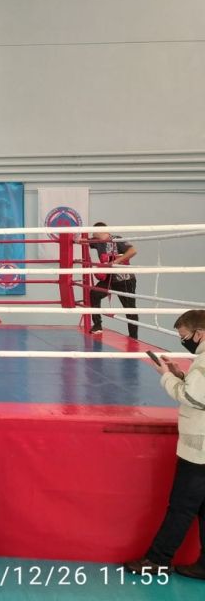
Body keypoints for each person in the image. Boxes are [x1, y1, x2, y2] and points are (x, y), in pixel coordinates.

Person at [125, 309, 205, 579]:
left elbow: (194, 398)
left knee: (182, 507)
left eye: (185, 336)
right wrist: (180, 375)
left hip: (200, 450)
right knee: (202, 508)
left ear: (199, 333)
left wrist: (166, 376)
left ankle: (158, 560)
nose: (184, 341)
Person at [88, 221, 138, 339]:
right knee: (94, 294)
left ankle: (133, 337)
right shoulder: (97, 242)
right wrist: (75, 239)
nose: (92, 234)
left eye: (94, 232)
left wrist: (115, 262)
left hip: (124, 279)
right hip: (109, 278)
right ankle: (97, 325)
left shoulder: (117, 239)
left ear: (99, 231)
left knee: (129, 308)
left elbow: (133, 250)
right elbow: (83, 241)